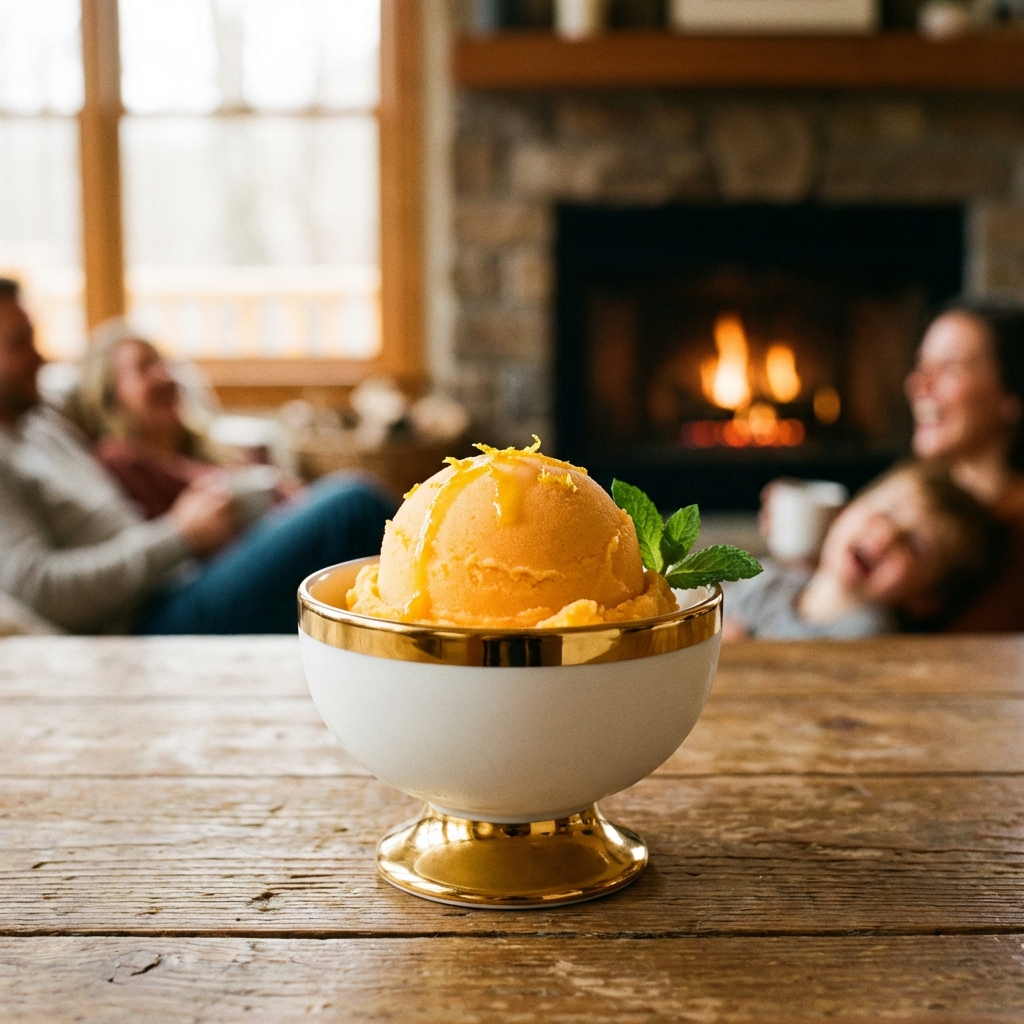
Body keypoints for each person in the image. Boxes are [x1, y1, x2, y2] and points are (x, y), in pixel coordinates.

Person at [0, 279, 394, 634]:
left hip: (179, 580)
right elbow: (41, 589)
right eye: (20, 343)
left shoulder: (40, 423)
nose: (41, 359)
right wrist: (180, 536)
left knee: (343, 535)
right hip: (148, 618)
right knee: (351, 506)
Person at [723, 461, 999, 640]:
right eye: (885, 511)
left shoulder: (870, 635)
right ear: (846, 511)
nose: (885, 536)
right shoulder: (772, 580)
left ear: (925, 600)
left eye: (914, 545)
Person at [904, 300, 1024, 631]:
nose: (919, 385)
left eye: (950, 368)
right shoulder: (913, 489)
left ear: (1012, 395)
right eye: (921, 365)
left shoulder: (1016, 530)